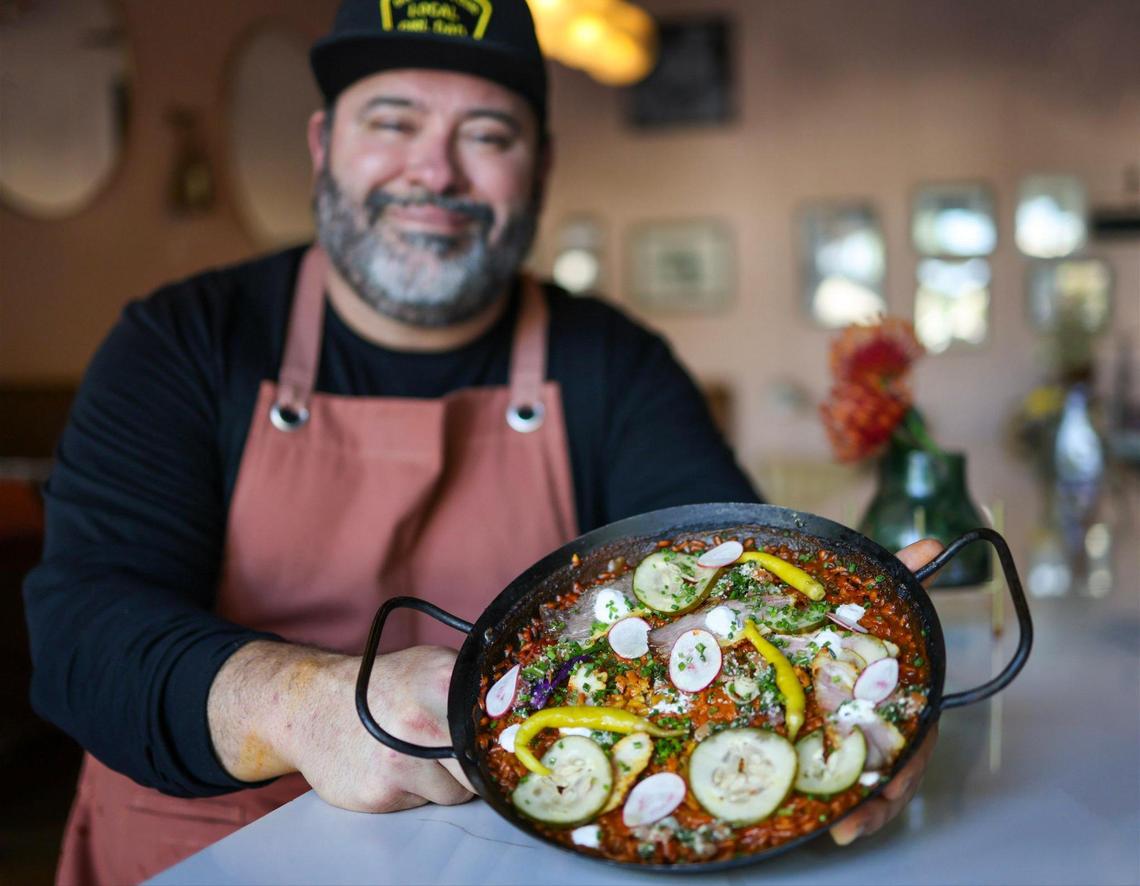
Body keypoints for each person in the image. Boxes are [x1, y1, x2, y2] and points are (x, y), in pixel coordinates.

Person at [22, 1, 937, 882]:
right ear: (320, 146)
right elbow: (80, 633)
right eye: (392, 120)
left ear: (538, 171)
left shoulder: (614, 364)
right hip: (208, 850)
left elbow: (710, 571)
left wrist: (843, 684)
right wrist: (305, 705)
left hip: (504, 855)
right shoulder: (181, 342)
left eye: (487, 135)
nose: (437, 172)